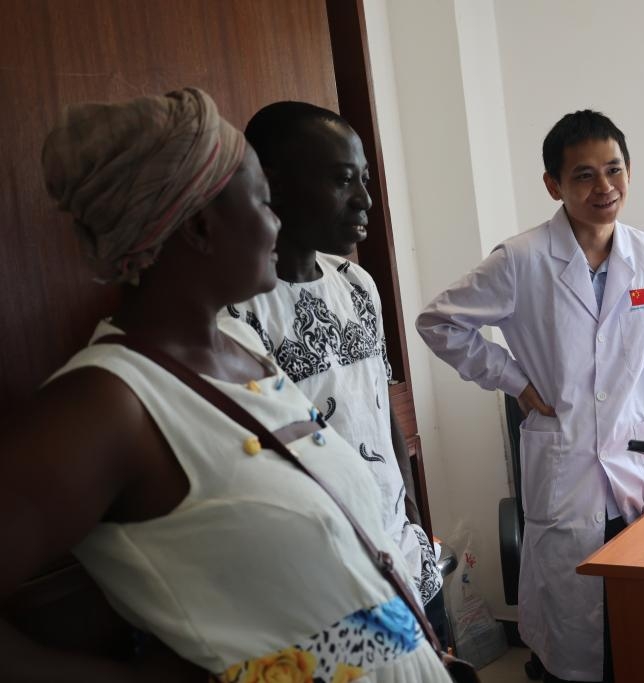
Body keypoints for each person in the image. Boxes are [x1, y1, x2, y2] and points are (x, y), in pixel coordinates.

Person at [0, 88, 449, 682]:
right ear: (203, 228)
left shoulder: (243, 359)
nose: (275, 223)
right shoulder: (108, 402)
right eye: (264, 202)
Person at [416, 110, 644, 682]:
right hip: (566, 475)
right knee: (576, 640)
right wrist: (514, 380)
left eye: (614, 170)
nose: (604, 188)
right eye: (584, 175)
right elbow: (439, 322)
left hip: (637, 472)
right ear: (553, 186)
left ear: (630, 173)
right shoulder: (522, 259)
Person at [224, 101, 446, 642]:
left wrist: (411, 508)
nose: (365, 200)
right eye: (343, 180)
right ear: (271, 181)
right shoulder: (237, 312)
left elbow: (378, 400)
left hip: (404, 552)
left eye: (365, 179)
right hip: (331, 579)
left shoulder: (355, 282)